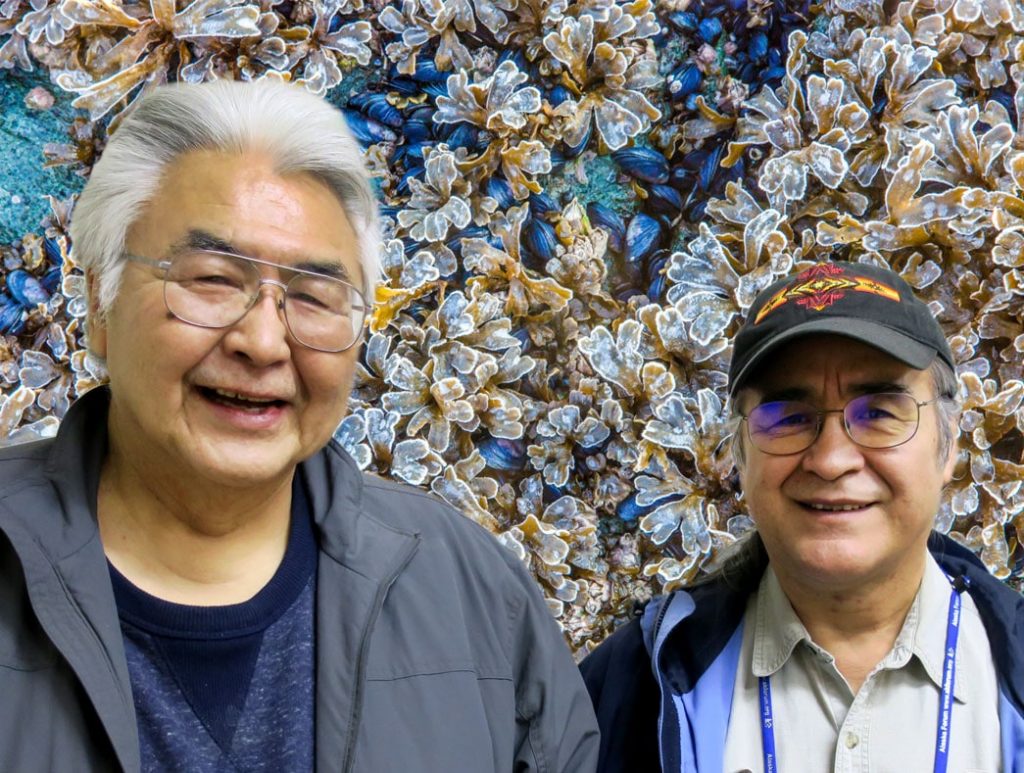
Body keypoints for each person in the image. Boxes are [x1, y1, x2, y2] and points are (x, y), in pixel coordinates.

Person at [0, 80, 598, 773]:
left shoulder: (473, 595)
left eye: (314, 297)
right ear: (100, 303)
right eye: (213, 278)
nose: (262, 340)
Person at [581, 261, 1024, 771]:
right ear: (739, 458)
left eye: (879, 412)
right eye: (788, 418)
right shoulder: (629, 688)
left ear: (949, 448)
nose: (832, 460)